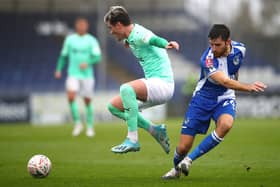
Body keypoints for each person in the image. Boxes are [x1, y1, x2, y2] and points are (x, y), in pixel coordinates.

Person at [162, 24, 267, 179]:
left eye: (217, 45)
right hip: (202, 100)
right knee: (183, 147)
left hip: (225, 97)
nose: (213, 48)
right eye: (211, 44)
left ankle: (189, 160)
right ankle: (177, 168)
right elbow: (225, 81)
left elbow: (234, 68)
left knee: (226, 125)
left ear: (228, 42)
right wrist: (248, 87)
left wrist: (235, 82)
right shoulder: (207, 60)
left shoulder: (240, 49)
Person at [104, 6, 180, 154]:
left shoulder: (139, 34)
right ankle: (155, 130)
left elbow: (153, 40)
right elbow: (135, 39)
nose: (111, 32)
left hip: (163, 84)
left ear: (119, 25)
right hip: (155, 85)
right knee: (113, 107)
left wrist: (166, 44)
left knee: (126, 89)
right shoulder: (131, 35)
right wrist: (128, 41)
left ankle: (132, 140)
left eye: (111, 27)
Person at [55, 17, 102, 137]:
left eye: (83, 25)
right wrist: (58, 69)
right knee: (71, 97)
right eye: (79, 25)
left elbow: (98, 57)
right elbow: (63, 56)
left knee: (87, 100)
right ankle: (77, 123)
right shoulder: (70, 40)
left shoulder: (91, 40)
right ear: (76, 27)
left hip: (87, 75)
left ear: (86, 27)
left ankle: (90, 126)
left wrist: (88, 62)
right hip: (73, 74)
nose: (81, 27)